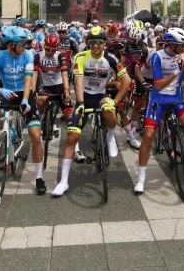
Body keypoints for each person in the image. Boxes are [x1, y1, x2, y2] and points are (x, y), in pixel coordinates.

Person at [52, 26, 130, 197]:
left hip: (101, 96)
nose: (95, 46)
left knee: (109, 111)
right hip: (85, 98)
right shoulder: (81, 57)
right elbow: (78, 81)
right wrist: (80, 103)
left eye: (99, 42)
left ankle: (110, 137)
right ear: (87, 42)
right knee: (72, 138)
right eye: (92, 42)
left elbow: (127, 80)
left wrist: (116, 101)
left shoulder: (110, 58)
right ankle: (64, 182)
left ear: (104, 43)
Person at [134, 27, 184, 194]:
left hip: (176, 98)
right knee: (148, 135)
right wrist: (176, 72)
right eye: (182, 45)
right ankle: (141, 177)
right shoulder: (157, 57)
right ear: (172, 45)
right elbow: (158, 85)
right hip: (158, 99)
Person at [0, 27, 46, 194]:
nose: (25, 46)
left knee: (35, 136)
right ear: (11, 44)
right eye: (22, 43)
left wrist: (26, 99)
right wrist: (0, 91)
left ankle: (39, 177)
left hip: (25, 94)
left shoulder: (27, 55)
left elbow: (28, 80)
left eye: (26, 43)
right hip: (7, 94)